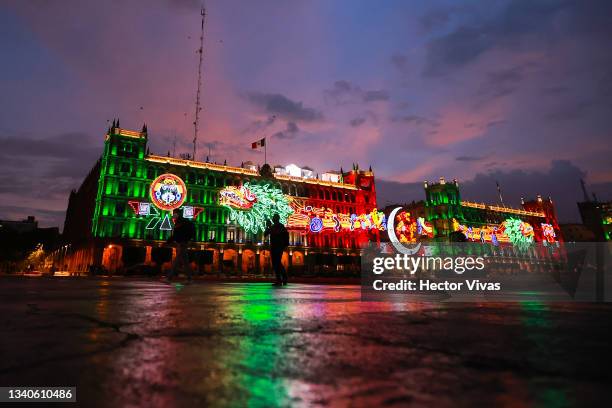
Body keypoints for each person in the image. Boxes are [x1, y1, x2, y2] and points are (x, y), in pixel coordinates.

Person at [166, 209, 196, 283]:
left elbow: (176, 234)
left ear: (178, 214)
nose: (174, 215)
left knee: (176, 261)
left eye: (175, 213)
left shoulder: (180, 222)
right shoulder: (183, 221)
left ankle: (169, 277)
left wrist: (168, 241)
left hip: (182, 243)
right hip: (183, 243)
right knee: (185, 262)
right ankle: (189, 278)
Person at [264, 213, 289, 286]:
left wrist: (285, 245)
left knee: (277, 262)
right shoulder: (273, 227)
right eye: (273, 218)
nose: (273, 219)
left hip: (278, 246)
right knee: (276, 263)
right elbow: (265, 234)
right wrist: (267, 227)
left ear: (277, 219)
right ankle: (282, 278)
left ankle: (281, 279)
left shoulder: (280, 226)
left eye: (274, 218)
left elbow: (283, 234)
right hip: (274, 246)